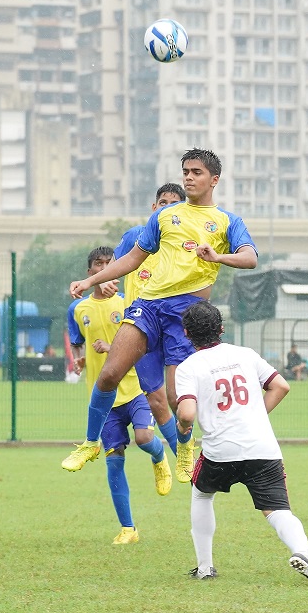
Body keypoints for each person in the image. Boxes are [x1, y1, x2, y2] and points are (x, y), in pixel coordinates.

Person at [63, 149, 258, 485]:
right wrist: (91, 281)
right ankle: (91, 443)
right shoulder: (165, 217)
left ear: (214, 179)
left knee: (176, 400)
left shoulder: (227, 221)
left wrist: (218, 256)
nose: (189, 177)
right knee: (108, 375)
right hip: (149, 306)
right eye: (186, 171)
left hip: (186, 313)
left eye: (196, 172)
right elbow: (133, 259)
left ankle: (185, 446)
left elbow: (250, 258)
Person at [174, 301, 308, 585]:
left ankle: (205, 567)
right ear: (221, 329)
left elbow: (187, 414)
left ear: (186, 333)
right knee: (278, 510)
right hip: (262, 447)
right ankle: (304, 553)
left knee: (202, 494)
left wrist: (183, 426)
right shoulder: (245, 354)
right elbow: (281, 386)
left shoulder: (188, 367)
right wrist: (254, 415)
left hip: (220, 452)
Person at [65, 246, 172, 545]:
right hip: (104, 400)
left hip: (135, 388)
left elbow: (144, 344)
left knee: (144, 438)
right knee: (115, 460)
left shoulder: (129, 303)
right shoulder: (78, 309)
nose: (103, 269)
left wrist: (111, 349)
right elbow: (77, 340)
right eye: (98, 264)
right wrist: (80, 359)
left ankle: (159, 456)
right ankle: (128, 529)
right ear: (90, 272)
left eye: (109, 264)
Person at [113, 182, 187, 458]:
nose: (167, 208)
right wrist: (106, 281)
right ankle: (182, 457)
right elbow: (116, 267)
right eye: (163, 203)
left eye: (174, 204)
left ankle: (193, 454)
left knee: (179, 396)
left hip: (174, 325)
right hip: (142, 327)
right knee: (156, 400)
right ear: (154, 207)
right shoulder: (136, 236)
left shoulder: (185, 242)